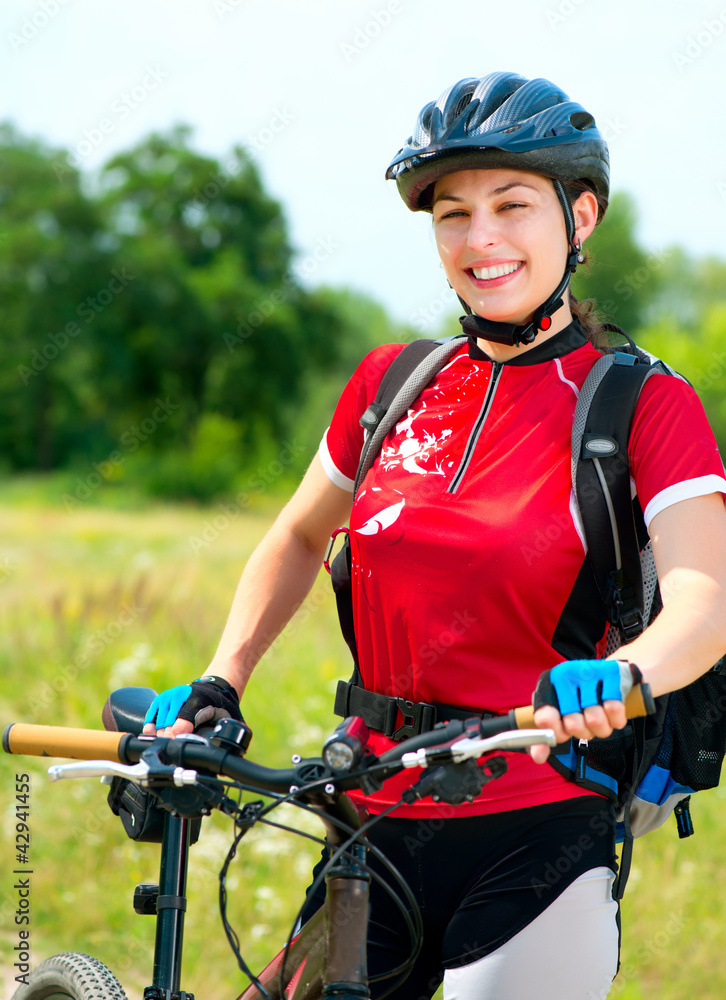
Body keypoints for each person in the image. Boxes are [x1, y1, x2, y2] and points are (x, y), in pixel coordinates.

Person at [143, 72, 726, 999]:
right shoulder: (394, 385)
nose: (480, 238)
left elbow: (705, 601)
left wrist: (626, 673)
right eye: (452, 214)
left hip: (538, 824)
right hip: (364, 819)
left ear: (580, 219)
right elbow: (299, 538)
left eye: (512, 205)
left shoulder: (643, 404)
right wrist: (223, 678)